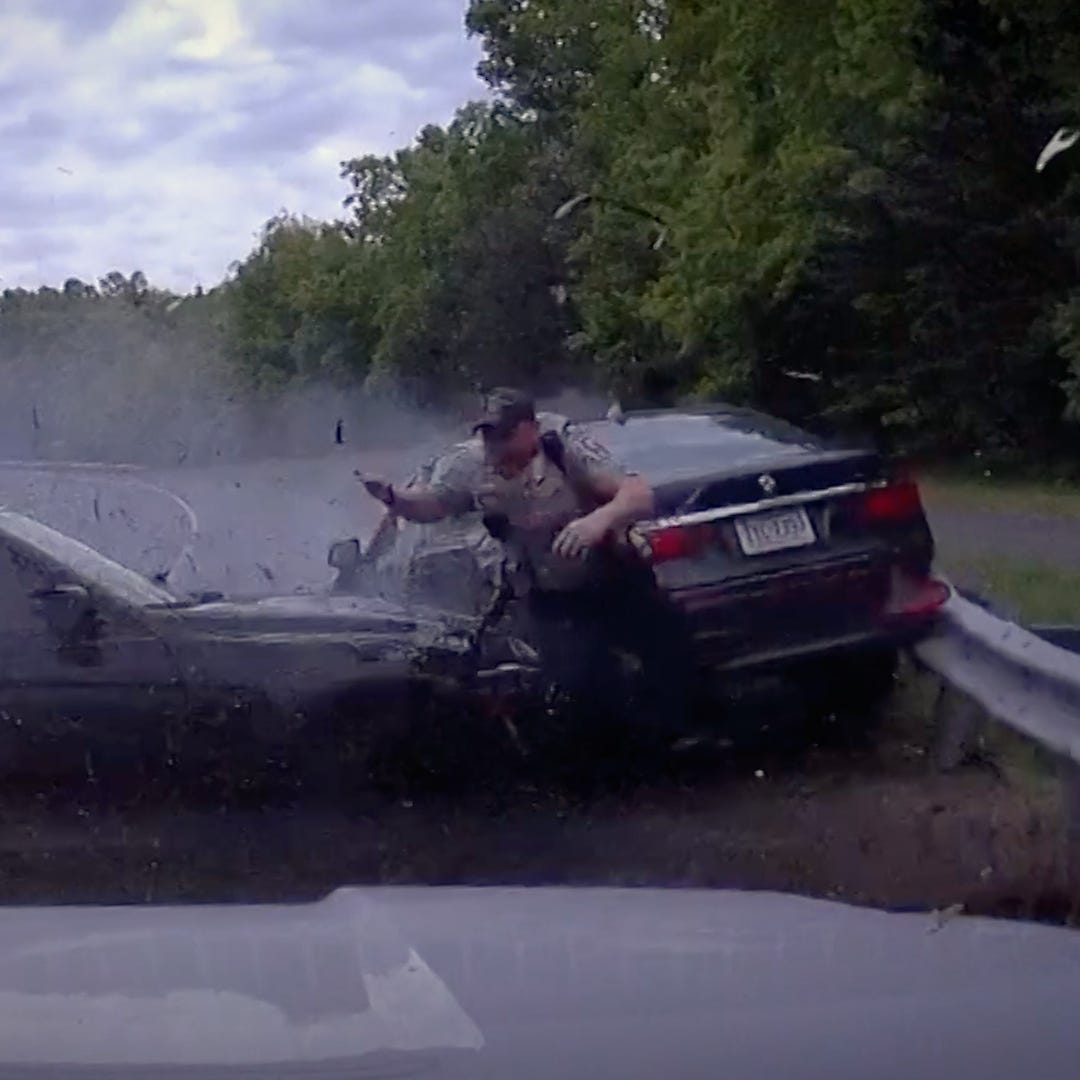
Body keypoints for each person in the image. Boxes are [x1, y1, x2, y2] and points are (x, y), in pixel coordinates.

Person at [359, 388, 696, 745]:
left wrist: (596, 521)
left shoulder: (562, 446)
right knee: (580, 682)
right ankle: (619, 759)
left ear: (530, 429)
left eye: (504, 434)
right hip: (547, 593)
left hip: (608, 574)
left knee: (669, 645)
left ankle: (689, 735)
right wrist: (393, 497)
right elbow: (433, 505)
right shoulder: (470, 466)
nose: (495, 444)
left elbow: (638, 494)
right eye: (488, 434)